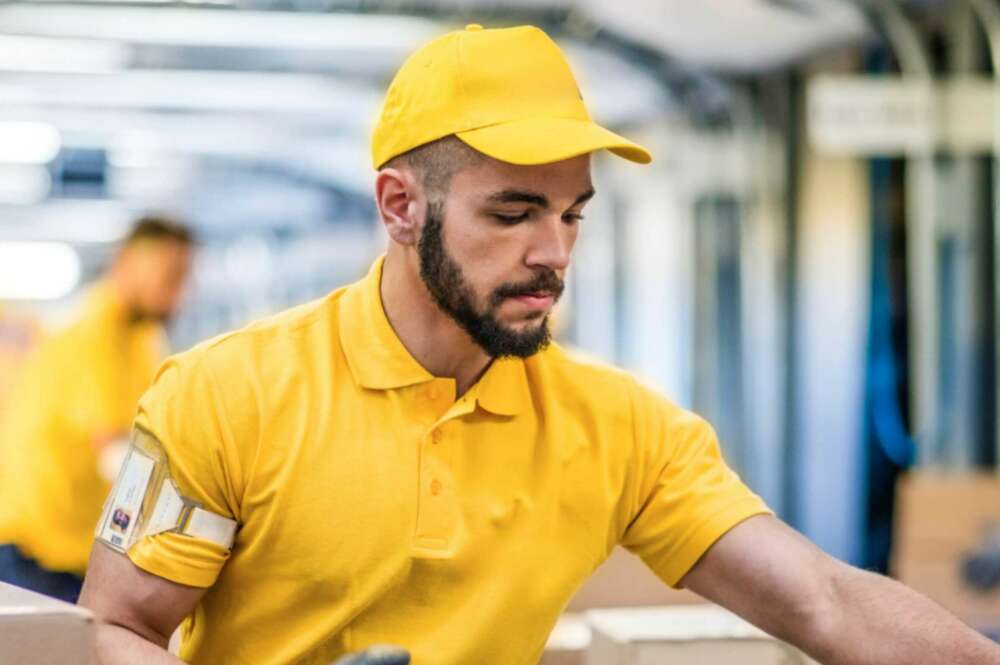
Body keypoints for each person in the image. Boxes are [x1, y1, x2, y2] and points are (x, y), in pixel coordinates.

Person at [78, 25, 1000, 665]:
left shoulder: (621, 429)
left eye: (571, 214)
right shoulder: (224, 395)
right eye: (512, 212)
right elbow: (115, 629)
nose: (552, 253)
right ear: (401, 207)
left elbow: (825, 603)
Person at [0, 216, 194, 603]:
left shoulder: (142, 342)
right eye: (169, 275)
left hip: (75, 549)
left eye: (183, 279)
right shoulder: (93, 334)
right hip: (33, 551)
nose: (177, 294)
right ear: (125, 262)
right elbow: (113, 451)